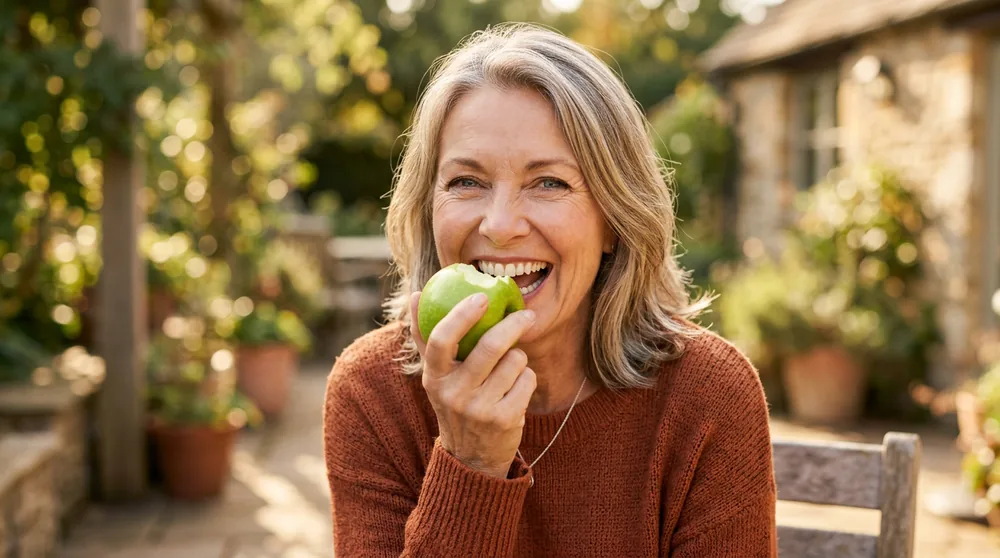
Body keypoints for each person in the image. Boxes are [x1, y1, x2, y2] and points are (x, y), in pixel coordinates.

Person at [323, 23, 777, 557]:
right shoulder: (372, 394)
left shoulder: (708, 397)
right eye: (466, 181)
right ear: (428, 206)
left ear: (614, 219)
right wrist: (471, 465)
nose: (499, 224)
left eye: (549, 183)